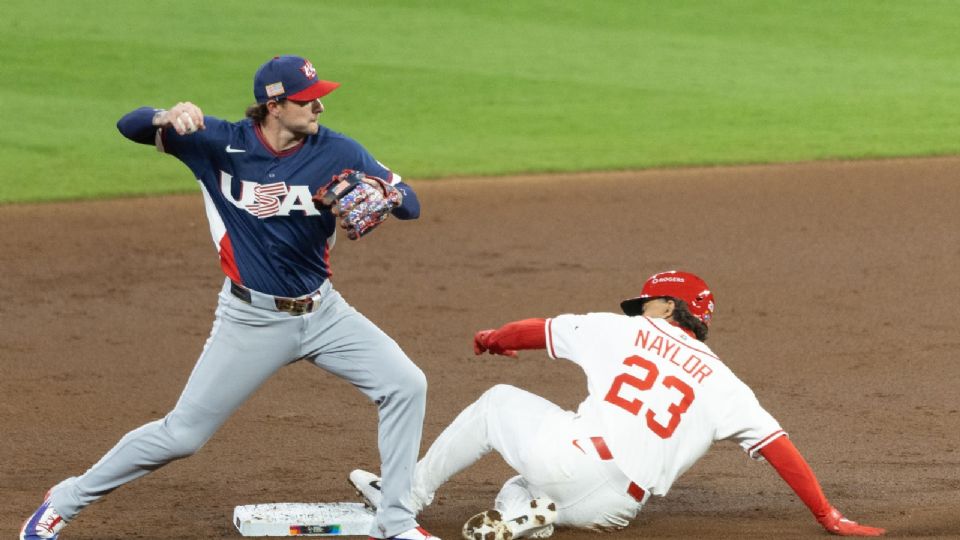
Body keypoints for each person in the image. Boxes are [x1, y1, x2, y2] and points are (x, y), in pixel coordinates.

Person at [21, 55, 438, 540]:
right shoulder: (217, 142)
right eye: (307, 100)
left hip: (326, 314)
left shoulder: (337, 150)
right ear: (274, 105)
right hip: (251, 321)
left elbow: (410, 200)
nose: (319, 107)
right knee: (182, 436)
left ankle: (396, 522)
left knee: (407, 385)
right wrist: (165, 115)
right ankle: (63, 501)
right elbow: (128, 124)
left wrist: (381, 194)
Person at [349, 271, 886, 538]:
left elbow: (534, 330)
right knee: (523, 483)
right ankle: (523, 519)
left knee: (497, 403)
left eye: (647, 299)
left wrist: (493, 338)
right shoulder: (726, 382)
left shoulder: (625, 330)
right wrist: (829, 516)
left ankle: (404, 499)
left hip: (575, 459)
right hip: (614, 511)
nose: (637, 306)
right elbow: (779, 449)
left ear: (668, 305)